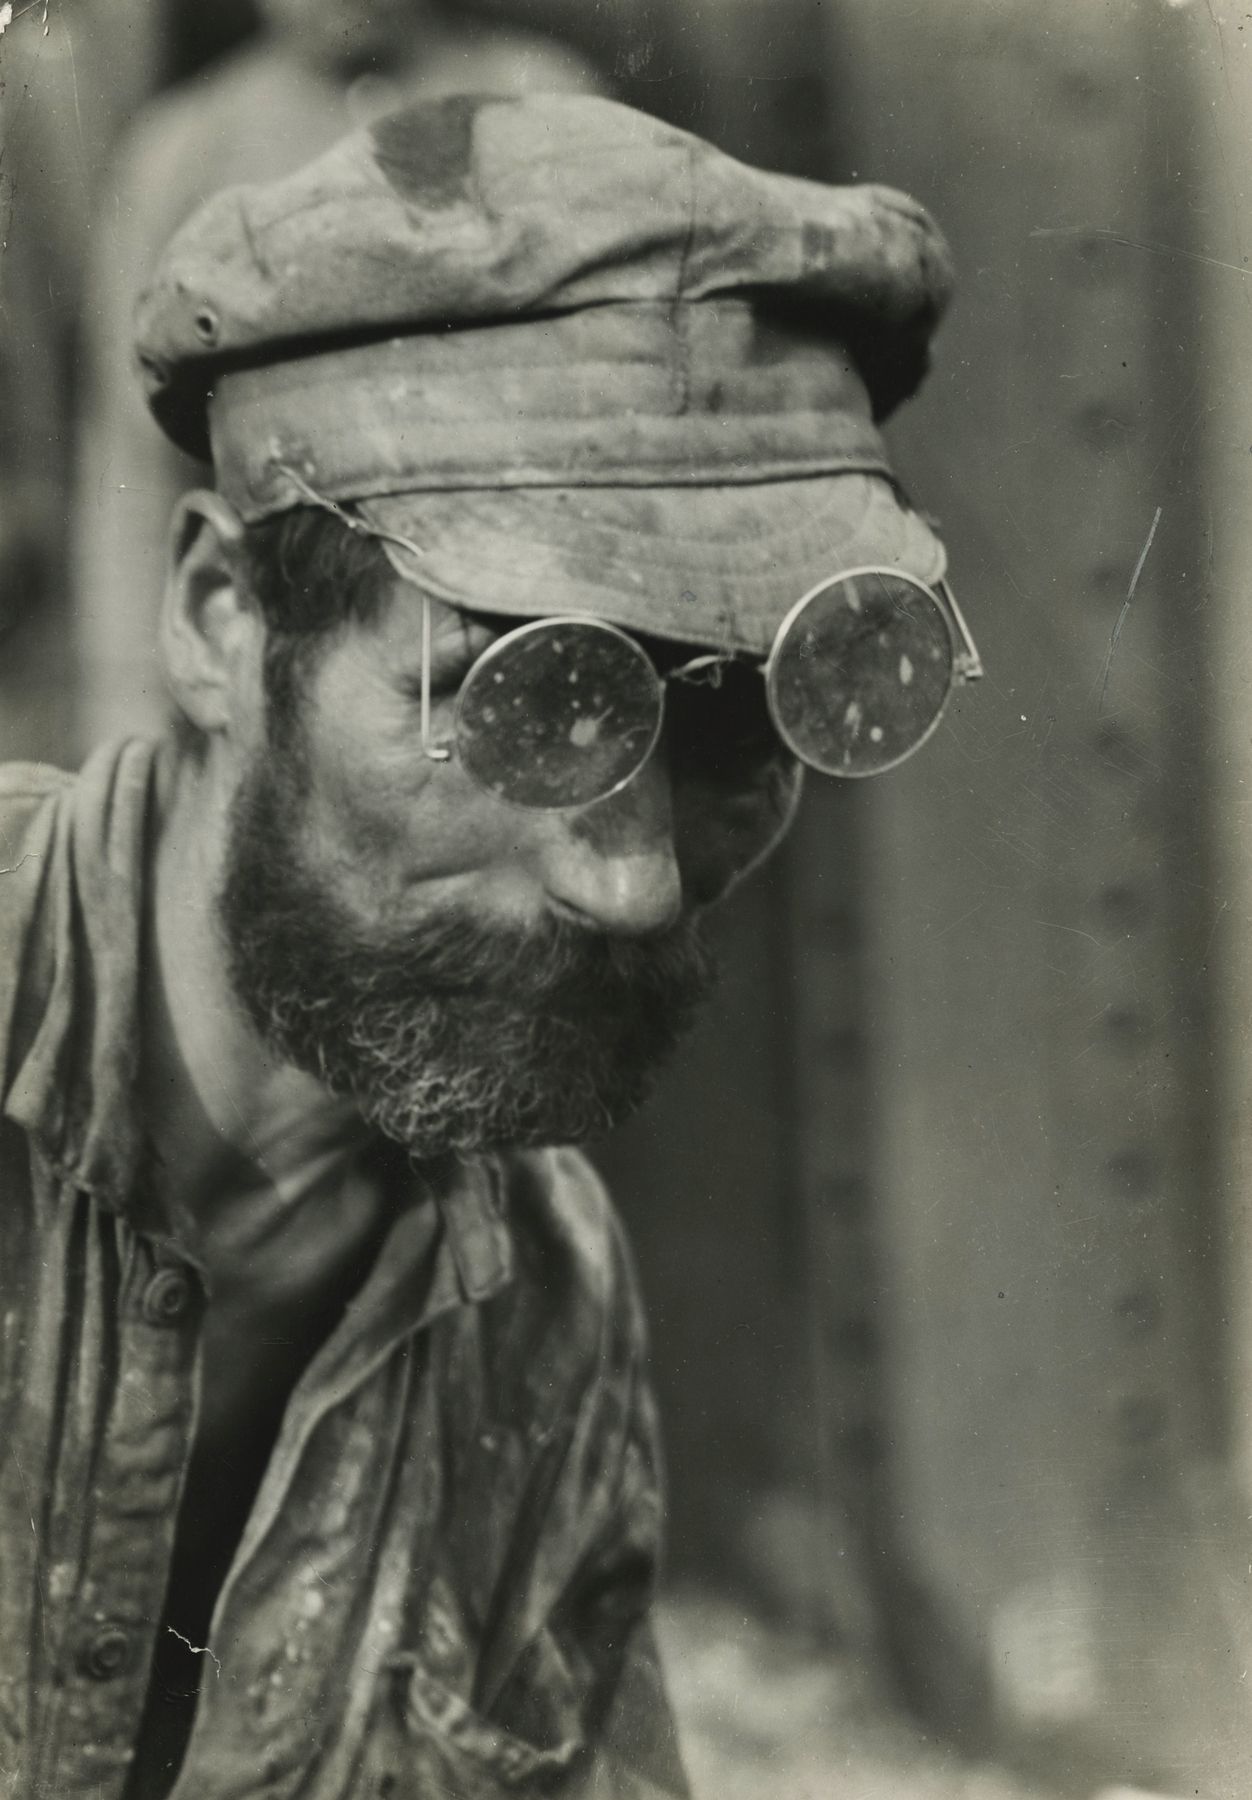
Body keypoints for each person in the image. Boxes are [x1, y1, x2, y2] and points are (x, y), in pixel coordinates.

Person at [0, 94, 968, 1798]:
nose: (635, 888)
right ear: (224, 620)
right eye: (530, 703)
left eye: (739, 727)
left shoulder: (547, 1313)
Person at [74, 0, 605, 744]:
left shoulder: (542, 97)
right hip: (282, 667)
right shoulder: (183, 150)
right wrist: (127, 714)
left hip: (511, 638)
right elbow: (131, 468)